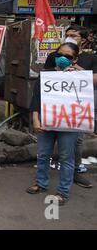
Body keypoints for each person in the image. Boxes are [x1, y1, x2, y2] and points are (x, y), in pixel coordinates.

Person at [27, 43, 81, 205]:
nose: (63, 59)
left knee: (66, 157)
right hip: (46, 121)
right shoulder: (45, 75)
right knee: (43, 154)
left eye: (69, 56)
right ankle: (41, 183)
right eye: (60, 55)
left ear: (75, 59)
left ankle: (63, 192)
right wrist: (36, 119)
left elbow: (85, 100)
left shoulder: (80, 77)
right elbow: (36, 98)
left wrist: (79, 71)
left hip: (69, 123)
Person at [44, 26, 95, 189]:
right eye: (67, 35)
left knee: (77, 143)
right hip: (55, 107)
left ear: (84, 39)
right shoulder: (54, 56)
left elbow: (94, 80)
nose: (70, 37)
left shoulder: (90, 58)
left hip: (76, 110)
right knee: (48, 142)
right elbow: (45, 77)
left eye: (74, 35)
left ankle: (75, 172)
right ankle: (43, 178)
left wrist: (77, 70)